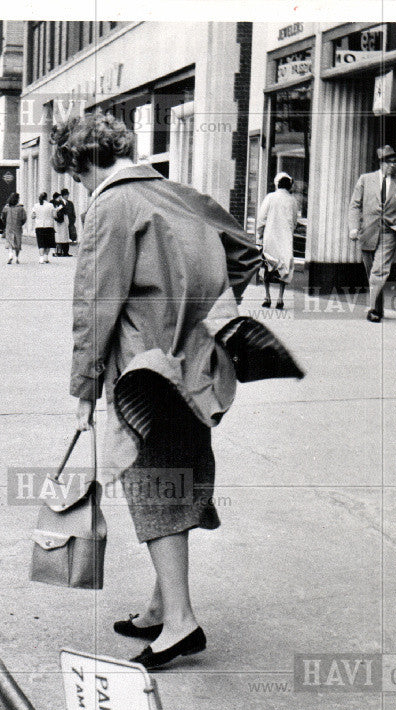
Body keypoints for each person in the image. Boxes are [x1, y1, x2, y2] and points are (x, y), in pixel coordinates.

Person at [50, 112, 260, 670]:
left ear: (85, 161)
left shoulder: (110, 206)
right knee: (180, 470)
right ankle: (161, 604)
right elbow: (245, 251)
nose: (79, 185)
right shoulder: (179, 193)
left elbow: (95, 306)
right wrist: (196, 307)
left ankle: (182, 623)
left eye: (76, 174)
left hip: (144, 372)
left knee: (154, 485)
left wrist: (84, 390)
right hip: (197, 363)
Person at [348, 145, 396, 322]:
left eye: (395, 162)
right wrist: (353, 228)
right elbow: (355, 205)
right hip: (367, 232)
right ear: (381, 163)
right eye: (390, 162)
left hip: (389, 234)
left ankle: (372, 309)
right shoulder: (365, 179)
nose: (393, 165)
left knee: (379, 271)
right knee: (372, 274)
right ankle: (379, 308)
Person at [257, 172, 299, 310]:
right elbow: (294, 221)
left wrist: (259, 234)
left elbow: (261, 218)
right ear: (289, 186)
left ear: (277, 184)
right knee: (284, 266)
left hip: (270, 236)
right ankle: (280, 298)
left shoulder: (270, 197)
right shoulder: (292, 200)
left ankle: (267, 297)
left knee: (267, 265)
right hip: (285, 238)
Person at [1, 191, 27, 264]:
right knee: (17, 243)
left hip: (9, 226)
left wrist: (6, 223)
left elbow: (3, 217)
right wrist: (21, 224)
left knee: (9, 241)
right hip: (18, 227)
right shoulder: (20, 208)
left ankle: (10, 254)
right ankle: (17, 258)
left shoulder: (6, 207)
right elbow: (24, 218)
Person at [30, 192, 56, 263]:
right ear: (46, 198)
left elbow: (33, 216)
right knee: (48, 242)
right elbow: (54, 215)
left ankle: (41, 258)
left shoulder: (36, 206)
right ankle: (46, 257)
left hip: (39, 226)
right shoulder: (50, 205)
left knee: (41, 242)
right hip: (49, 226)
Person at [52, 192, 70, 257]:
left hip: (61, 221)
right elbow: (54, 212)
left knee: (62, 236)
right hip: (59, 221)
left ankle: (62, 251)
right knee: (59, 237)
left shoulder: (62, 203)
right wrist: (59, 208)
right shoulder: (55, 204)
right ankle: (58, 251)